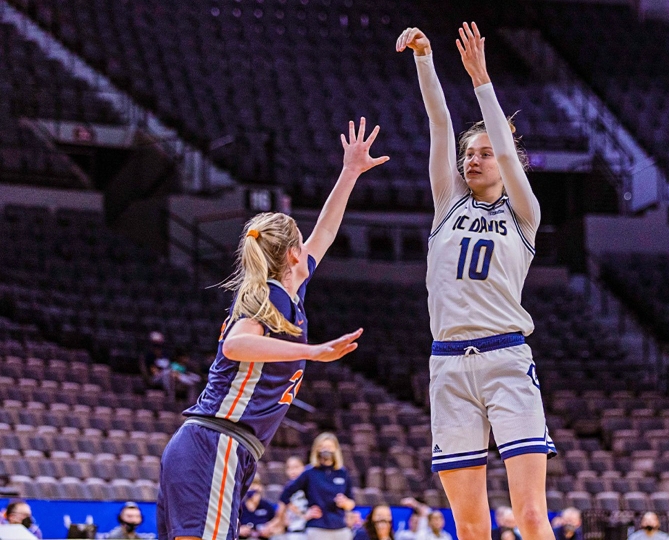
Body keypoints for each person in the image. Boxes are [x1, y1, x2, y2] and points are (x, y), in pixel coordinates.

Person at [156, 117, 388, 540]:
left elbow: (327, 230)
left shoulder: (289, 289)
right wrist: (312, 351)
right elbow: (236, 345)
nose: (311, 246)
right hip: (216, 442)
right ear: (294, 253)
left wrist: (350, 172)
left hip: (220, 447)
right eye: (303, 242)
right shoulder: (269, 296)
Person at [397, 21, 555, 540]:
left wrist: (481, 79)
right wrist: (425, 59)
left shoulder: (523, 212)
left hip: (506, 360)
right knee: (469, 522)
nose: (473, 157)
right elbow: (439, 123)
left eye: (484, 152)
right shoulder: (447, 203)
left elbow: (508, 153)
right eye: (471, 153)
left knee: (530, 515)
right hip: (447, 364)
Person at [278, 433, 357, 540]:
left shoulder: (342, 472)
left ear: (335, 449)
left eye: (329, 447)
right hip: (317, 528)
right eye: (322, 447)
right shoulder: (309, 472)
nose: (326, 450)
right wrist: (304, 514)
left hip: (340, 528)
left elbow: (351, 502)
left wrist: (345, 503)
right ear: (316, 449)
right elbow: (285, 495)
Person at [280, 457, 309, 540]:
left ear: (304, 468)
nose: (293, 471)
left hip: (309, 530)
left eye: (296, 467)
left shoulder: (311, 486)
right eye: (289, 468)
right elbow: (281, 511)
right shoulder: (287, 489)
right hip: (293, 531)